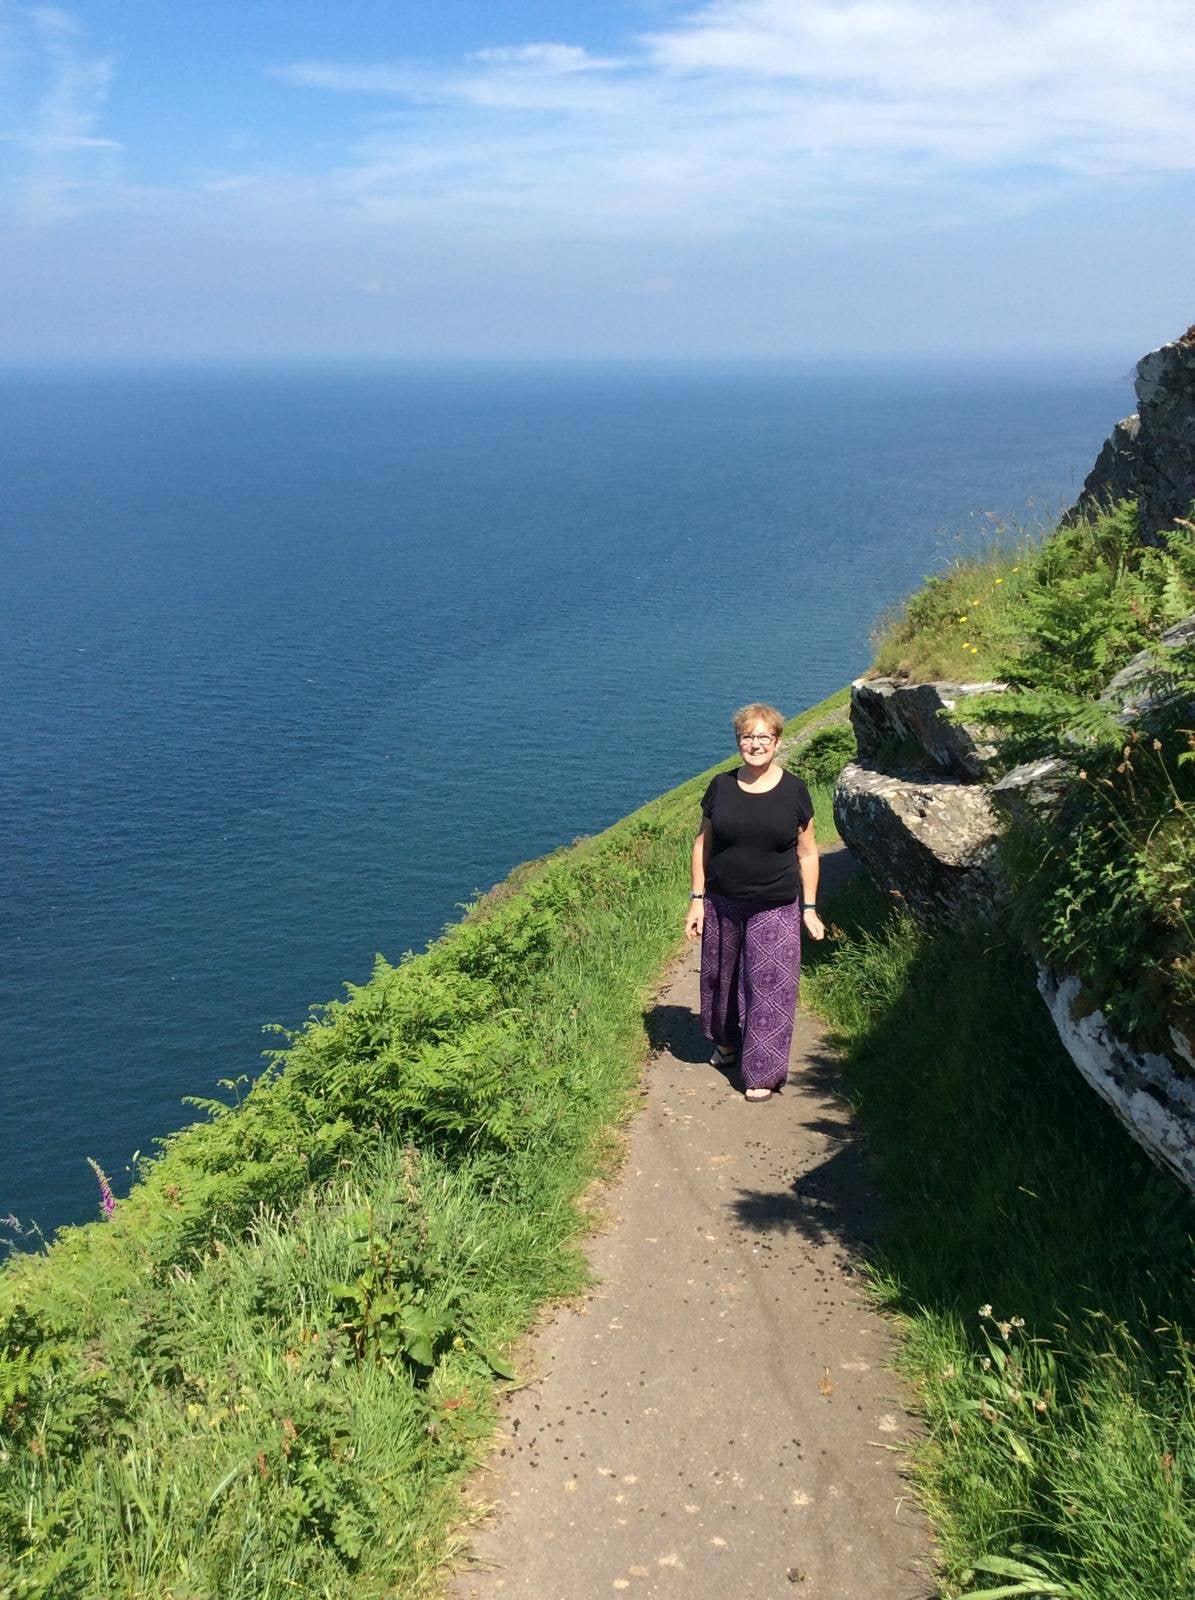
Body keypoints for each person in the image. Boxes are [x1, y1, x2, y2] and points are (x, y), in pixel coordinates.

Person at [685, 703, 824, 1100]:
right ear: (738, 741)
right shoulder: (721, 786)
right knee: (721, 978)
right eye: (747, 737)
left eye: (764, 737)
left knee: (770, 984)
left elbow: (807, 852)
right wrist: (696, 899)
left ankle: (762, 1072)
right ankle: (727, 1042)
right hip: (722, 900)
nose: (755, 744)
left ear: (777, 741)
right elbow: (702, 844)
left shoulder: (794, 790)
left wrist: (809, 908)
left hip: (775, 903)